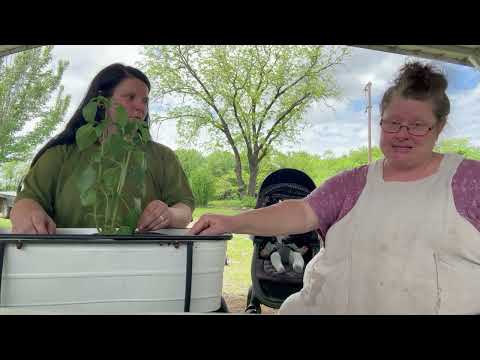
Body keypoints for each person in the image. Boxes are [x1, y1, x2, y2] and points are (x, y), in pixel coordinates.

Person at [189, 61, 480, 314]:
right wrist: (230, 221)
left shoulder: (471, 181)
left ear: (439, 127)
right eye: (392, 123)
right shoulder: (353, 183)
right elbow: (300, 212)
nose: (402, 134)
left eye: (418, 125)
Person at [11, 63, 194, 234]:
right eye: (130, 97)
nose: (141, 107)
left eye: (145, 101)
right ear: (101, 102)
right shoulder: (61, 154)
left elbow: (184, 207)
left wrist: (169, 214)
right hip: (70, 260)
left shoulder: (162, 157)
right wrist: (28, 212)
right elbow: (27, 199)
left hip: (143, 260)